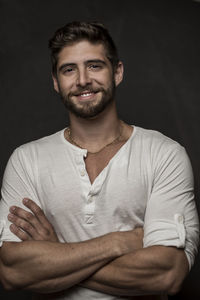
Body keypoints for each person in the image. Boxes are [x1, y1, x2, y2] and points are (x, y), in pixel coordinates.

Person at [0, 21, 199, 300]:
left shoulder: (164, 154)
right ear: (56, 82)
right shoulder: (26, 160)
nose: (82, 79)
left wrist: (56, 252)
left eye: (94, 65)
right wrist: (119, 242)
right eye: (69, 69)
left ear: (117, 72)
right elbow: (12, 271)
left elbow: (167, 273)